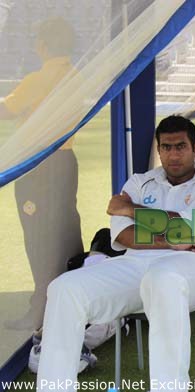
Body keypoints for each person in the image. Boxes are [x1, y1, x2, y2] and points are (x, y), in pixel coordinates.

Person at [32, 116, 195, 392]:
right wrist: (170, 239)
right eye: (166, 147)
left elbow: (187, 228)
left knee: (163, 278)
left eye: (181, 147)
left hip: (191, 268)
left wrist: (131, 209)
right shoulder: (138, 182)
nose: (174, 154)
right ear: (159, 150)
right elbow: (124, 237)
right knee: (64, 288)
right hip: (133, 265)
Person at [0, 17, 83, 331]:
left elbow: (7, 109)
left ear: (43, 44)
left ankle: (41, 311)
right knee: (65, 232)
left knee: (37, 237)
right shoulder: (75, 75)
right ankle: (69, 303)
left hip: (39, 167)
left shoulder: (39, 78)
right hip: (65, 163)